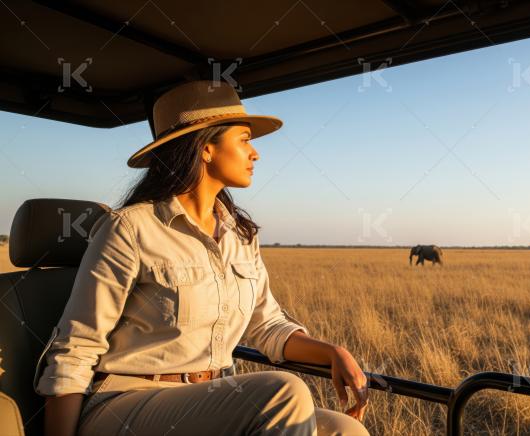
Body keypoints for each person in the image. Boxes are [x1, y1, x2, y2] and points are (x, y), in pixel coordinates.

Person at [34, 81, 370, 436]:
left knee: (346, 430)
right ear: (206, 148)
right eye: (244, 140)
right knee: (285, 392)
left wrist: (333, 351)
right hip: (126, 402)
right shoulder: (130, 229)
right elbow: (77, 346)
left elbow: (267, 326)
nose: (256, 154)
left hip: (211, 401)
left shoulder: (240, 236)